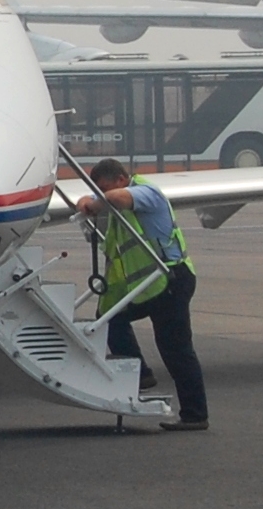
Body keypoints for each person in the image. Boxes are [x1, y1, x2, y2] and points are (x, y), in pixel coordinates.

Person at [76, 158, 208, 430]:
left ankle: (196, 415)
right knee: (109, 319)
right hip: (150, 285)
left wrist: (97, 201)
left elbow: (116, 198)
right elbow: (90, 199)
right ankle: (141, 374)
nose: (100, 194)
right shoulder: (117, 196)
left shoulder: (147, 193)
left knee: (176, 350)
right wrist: (85, 202)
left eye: (103, 188)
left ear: (122, 179)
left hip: (172, 280)